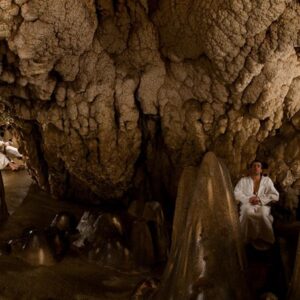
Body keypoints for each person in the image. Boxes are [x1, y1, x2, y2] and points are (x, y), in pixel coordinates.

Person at [234, 160, 279, 250]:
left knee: (262, 214)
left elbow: (275, 195)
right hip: (247, 204)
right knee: (247, 213)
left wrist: (260, 199)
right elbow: (235, 193)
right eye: (254, 166)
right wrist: (248, 199)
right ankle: (246, 239)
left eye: (258, 166)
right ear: (250, 169)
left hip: (262, 205)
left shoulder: (267, 181)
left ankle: (266, 239)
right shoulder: (243, 180)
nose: (256, 167)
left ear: (261, 170)